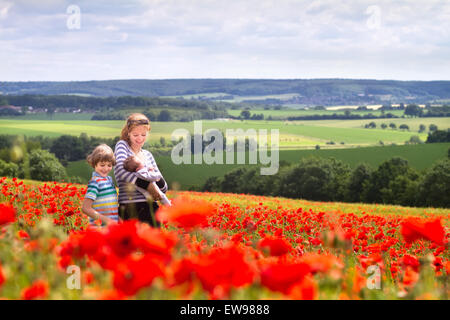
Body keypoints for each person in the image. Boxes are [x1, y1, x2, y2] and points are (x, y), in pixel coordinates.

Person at [114, 113, 168, 226]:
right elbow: (120, 170)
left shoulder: (148, 155)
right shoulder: (122, 146)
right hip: (130, 208)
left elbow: (164, 188)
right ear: (128, 133)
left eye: (143, 135)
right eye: (135, 135)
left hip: (152, 209)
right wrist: (149, 185)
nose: (139, 138)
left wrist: (157, 183)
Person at [82, 144, 119, 226]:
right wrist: (107, 220)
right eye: (102, 165)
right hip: (99, 229)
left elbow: (112, 205)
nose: (106, 169)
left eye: (109, 165)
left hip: (111, 228)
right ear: (94, 164)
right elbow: (86, 208)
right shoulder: (95, 182)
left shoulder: (109, 180)